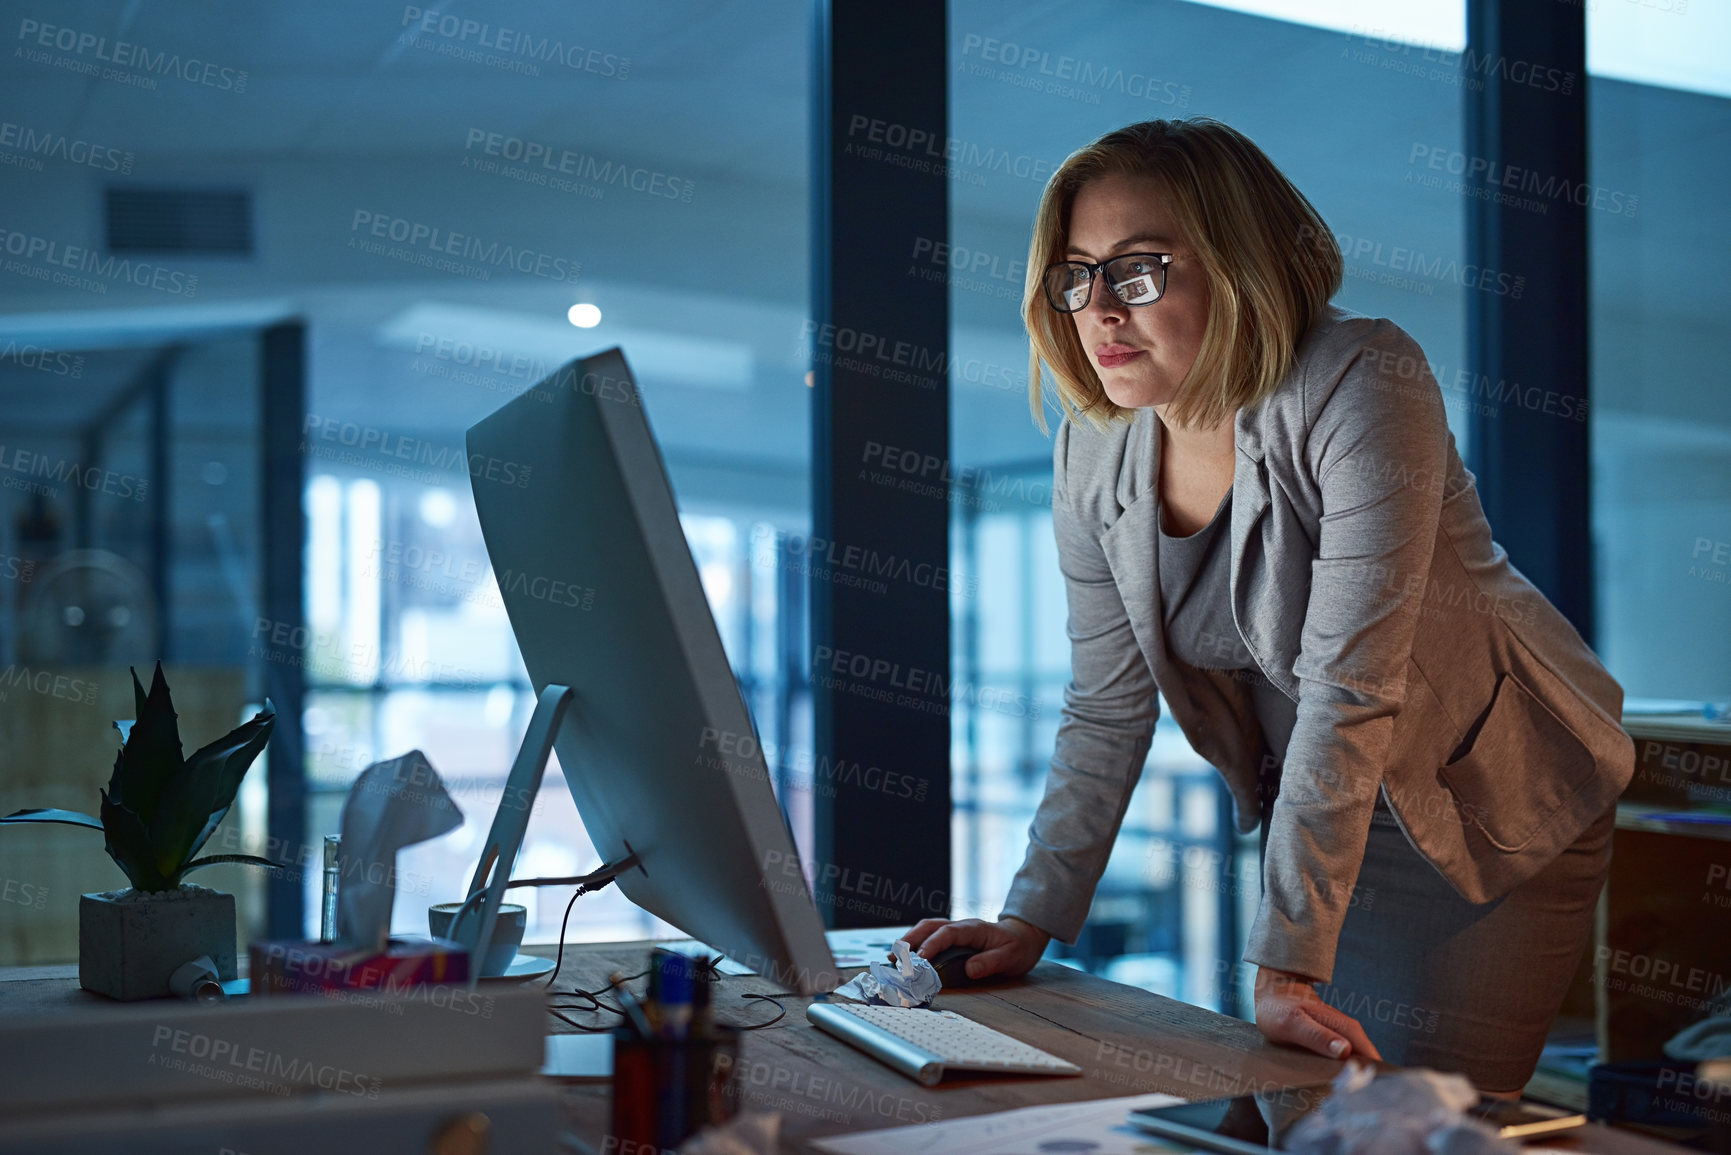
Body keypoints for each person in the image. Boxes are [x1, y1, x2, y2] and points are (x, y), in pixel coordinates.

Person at [904, 117, 1633, 1094]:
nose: (1101, 310)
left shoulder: (1363, 377)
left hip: (1485, 788)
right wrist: (1028, 918)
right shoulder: (1094, 451)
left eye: (1139, 269)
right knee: (1304, 1109)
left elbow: (1348, 686)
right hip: (1319, 796)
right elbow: (1105, 707)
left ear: (1240, 263)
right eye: (1076, 275)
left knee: (1407, 1120)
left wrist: (1285, 962)